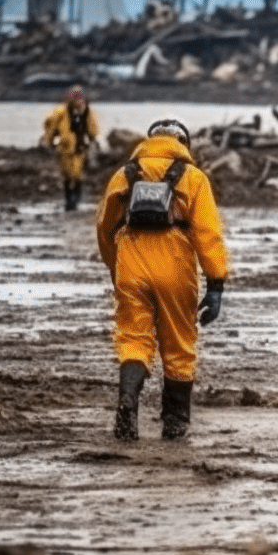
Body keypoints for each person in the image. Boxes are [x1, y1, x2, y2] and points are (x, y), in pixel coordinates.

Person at [96, 119, 230, 442]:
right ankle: (174, 423)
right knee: (179, 344)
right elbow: (208, 234)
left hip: (131, 259)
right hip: (174, 262)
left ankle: (128, 402)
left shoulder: (124, 175)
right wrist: (215, 284)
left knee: (134, 339)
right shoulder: (194, 177)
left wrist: (118, 269)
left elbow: (104, 228)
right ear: (184, 144)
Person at [40, 85, 99, 211]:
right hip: (65, 149)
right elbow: (50, 125)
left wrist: (93, 139)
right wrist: (48, 140)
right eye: (75, 96)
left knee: (77, 175)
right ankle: (69, 200)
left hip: (80, 148)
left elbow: (92, 128)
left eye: (79, 96)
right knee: (67, 175)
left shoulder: (86, 112)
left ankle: (75, 200)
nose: (77, 99)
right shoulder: (61, 112)